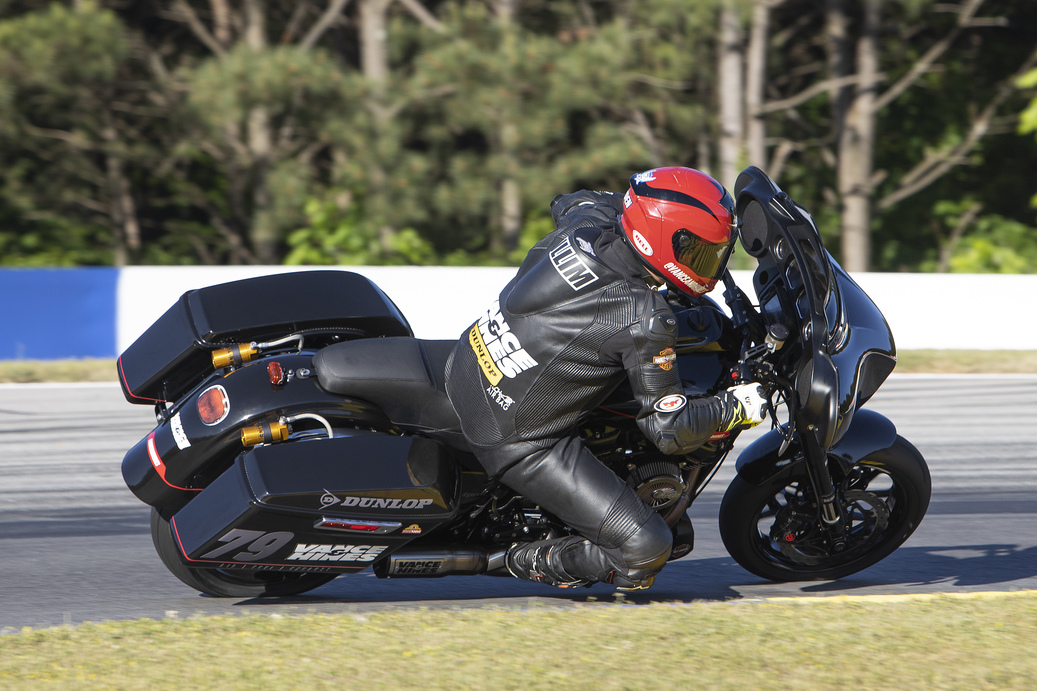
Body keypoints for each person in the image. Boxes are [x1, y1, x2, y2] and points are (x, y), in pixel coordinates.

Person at [444, 166, 767, 590]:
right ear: (668, 242)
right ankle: (513, 558)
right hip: (519, 437)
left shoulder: (586, 225)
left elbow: (571, 200)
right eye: (702, 253)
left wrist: (636, 209)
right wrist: (738, 407)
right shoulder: (643, 316)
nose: (710, 265)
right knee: (646, 549)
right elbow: (669, 430)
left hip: (466, 364)